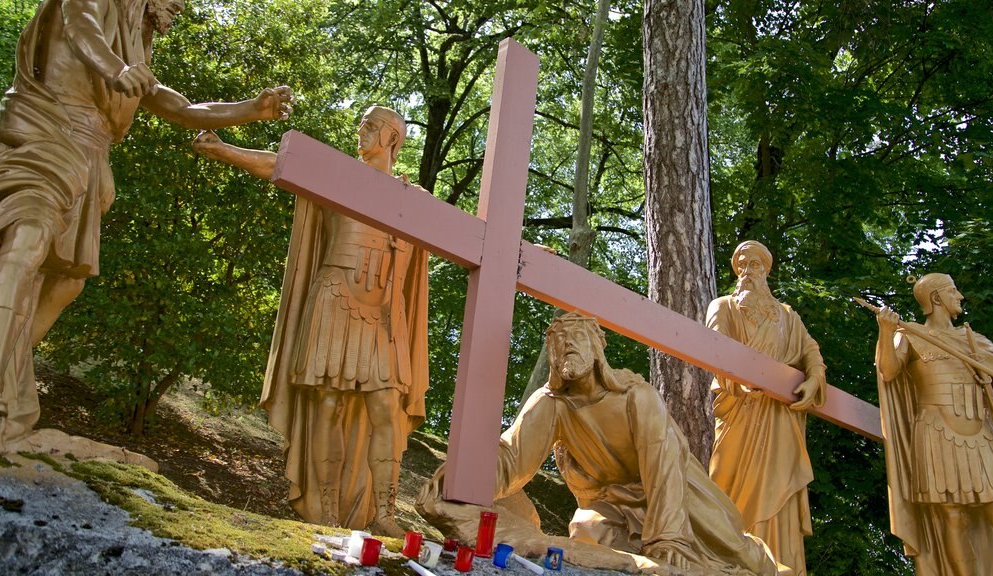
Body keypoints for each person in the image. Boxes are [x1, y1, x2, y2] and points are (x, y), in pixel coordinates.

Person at [0, 0, 293, 450]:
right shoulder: (96, 12)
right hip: (47, 132)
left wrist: (250, 108)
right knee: (27, 239)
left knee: (63, 284)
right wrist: (115, 67)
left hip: (91, 155)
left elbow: (181, 106)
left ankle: (9, 369)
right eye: (175, 1)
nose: (179, 9)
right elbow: (82, 27)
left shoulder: (138, 40)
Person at [193, 106, 428, 536]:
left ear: (393, 139)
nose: (362, 130)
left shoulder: (413, 197)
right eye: (362, 122)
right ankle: (329, 513)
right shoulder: (336, 173)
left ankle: (386, 514)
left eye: (372, 125)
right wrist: (225, 150)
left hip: (381, 313)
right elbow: (280, 164)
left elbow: (474, 237)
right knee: (328, 404)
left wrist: (523, 252)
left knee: (385, 410)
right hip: (335, 296)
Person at [417, 312, 782, 575]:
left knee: (741, 556)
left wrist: (669, 539)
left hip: (678, 495)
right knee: (587, 530)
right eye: (558, 343)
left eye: (576, 338)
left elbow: (663, 464)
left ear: (597, 348)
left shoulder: (637, 396)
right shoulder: (553, 404)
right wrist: (464, 476)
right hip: (614, 503)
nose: (566, 347)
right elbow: (513, 458)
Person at [874, 273, 993, 575]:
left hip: (981, 435)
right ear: (936, 298)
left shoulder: (976, 342)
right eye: (953, 291)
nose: (960, 297)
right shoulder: (910, 335)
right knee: (953, 519)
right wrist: (885, 333)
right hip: (936, 432)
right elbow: (888, 371)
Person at [705, 240, 826, 576]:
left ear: (767, 271)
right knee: (726, 492)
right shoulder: (724, 306)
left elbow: (810, 351)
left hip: (779, 420)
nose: (747, 271)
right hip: (740, 413)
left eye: (755, 264)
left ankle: (781, 564)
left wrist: (815, 378)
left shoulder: (788, 316)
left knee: (780, 492)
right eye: (741, 264)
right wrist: (739, 379)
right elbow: (716, 349)